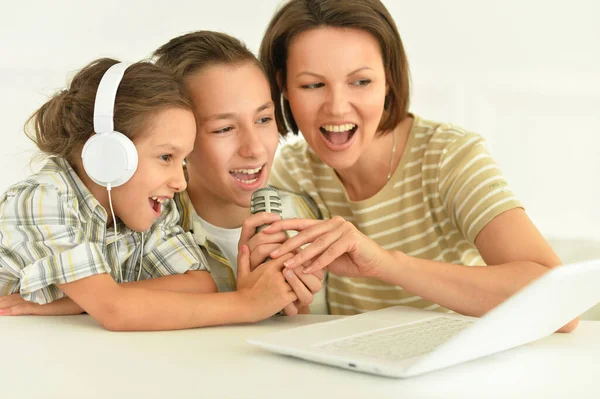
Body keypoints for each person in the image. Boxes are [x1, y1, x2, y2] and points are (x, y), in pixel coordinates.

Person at [256, 0, 578, 331]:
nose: (337, 107)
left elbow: (562, 306)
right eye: (313, 85)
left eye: (361, 82)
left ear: (388, 80)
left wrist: (384, 263)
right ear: (283, 87)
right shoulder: (292, 173)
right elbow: (301, 321)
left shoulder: (448, 156)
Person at [0, 58, 297, 330]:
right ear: (108, 155)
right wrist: (247, 303)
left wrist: (73, 303)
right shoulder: (42, 200)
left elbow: (199, 284)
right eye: (166, 157)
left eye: (183, 161)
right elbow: (116, 312)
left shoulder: (152, 212)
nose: (181, 182)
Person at [153, 31, 327, 315]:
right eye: (224, 129)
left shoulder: (306, 216)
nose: (255, 148)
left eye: (263, 119)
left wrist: (292, 307)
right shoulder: (149, 236)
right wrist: (247, 304)